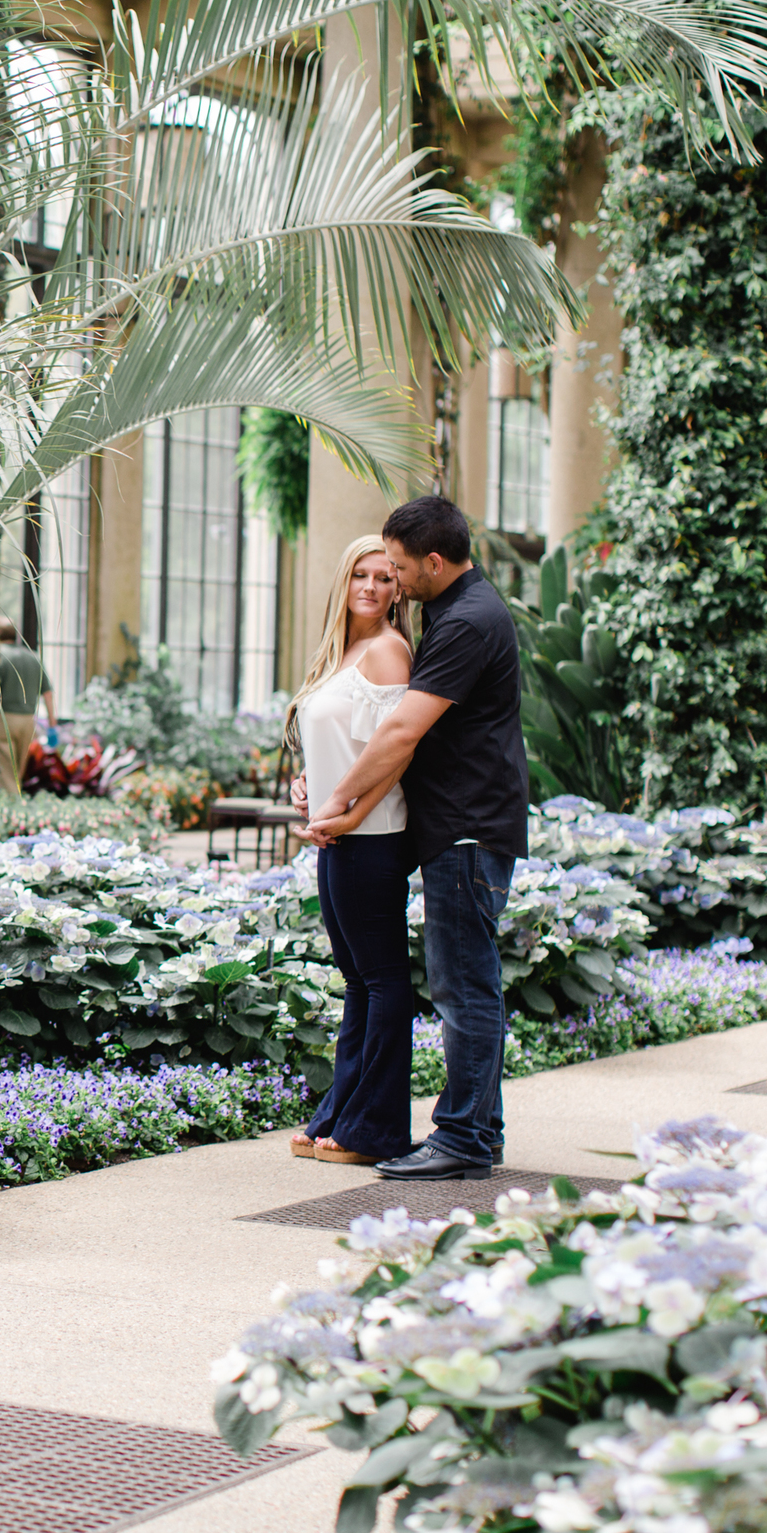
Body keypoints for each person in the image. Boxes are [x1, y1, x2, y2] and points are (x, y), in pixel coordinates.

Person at [296, 495, 528, 1183]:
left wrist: (338, 804)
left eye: (397, 568)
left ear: (432, 562)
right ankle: (476, 1130)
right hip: (459, 828)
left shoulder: (467, 622)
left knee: (465, 988)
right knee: (464, 984)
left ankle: (462, 1135)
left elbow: (401, 730)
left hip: (467, 830)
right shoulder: (459, 611)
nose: (390, 581)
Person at [286, 536, 416, 1167]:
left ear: (397, 589)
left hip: (372, 835)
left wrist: (348, 814)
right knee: (359, 981)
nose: (371, 587)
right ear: (345, 581)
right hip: (335, 834)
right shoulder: (342, 653)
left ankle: (376, 1130)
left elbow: (396, 753)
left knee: (384, 980)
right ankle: (342, 1112)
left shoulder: (391, 651)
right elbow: (341, 743)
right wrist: (307, 785)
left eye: (384, 577)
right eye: (360, 575)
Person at [0, 616, 57, 795]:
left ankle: (12, 810)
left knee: (5, 771)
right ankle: (16, 807)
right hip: (28, 721)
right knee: (17, 772)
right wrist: (53, 725)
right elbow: (48, 693)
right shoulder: (33, 658)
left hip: (4, 720)